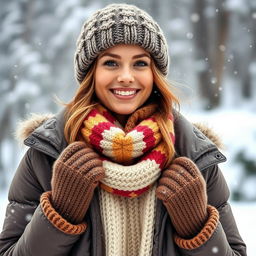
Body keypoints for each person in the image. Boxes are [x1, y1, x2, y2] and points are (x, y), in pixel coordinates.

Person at [0, 3, 246, 256]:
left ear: (154, 74)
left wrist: (197, 228)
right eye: (111, 63)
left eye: (140, 64)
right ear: (91, 72)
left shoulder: (193, 155)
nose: (126, 76)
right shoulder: (48, 152)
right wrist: (60, 213)